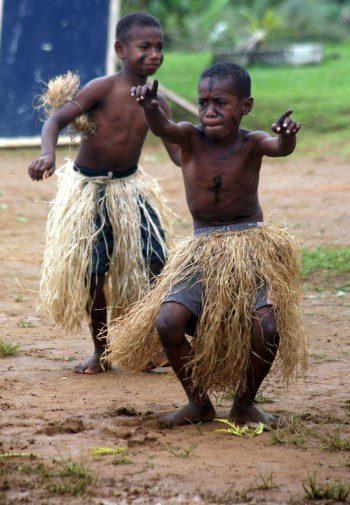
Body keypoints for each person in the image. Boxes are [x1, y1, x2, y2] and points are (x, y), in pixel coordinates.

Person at [107, 62, 307, 427]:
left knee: (267, 328)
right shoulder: (188, 137)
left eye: (220, 103)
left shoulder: (253, 142)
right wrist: (151, 107)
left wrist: (288, 135)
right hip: (201, 250)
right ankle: (198, 402)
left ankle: (245, 403)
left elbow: (281, 147)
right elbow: (163, 127)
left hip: (248, 247)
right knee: (168, 321)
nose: (209, 111)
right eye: (203, 103)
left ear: (245, 106)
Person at [28, 13, 180, 374]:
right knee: (93, 275)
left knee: (158, 263)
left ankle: (151, 343)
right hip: (90, 190)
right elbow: (55, 121)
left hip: (130, 190)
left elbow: (178, 153)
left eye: (159, 47)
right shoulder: (103, 88)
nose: (154, 54)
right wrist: (47, 154)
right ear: (121, 49)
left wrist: (205, 158)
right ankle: (102, 351)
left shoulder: (157, 102)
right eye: (145, 47)